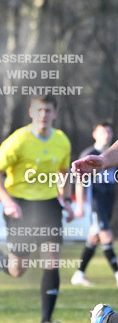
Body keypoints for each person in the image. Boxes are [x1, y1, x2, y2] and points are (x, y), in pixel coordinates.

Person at [0, 95, 73, 323]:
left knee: (51, 260)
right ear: (32, 113)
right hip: (20, 205)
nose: (44, 115)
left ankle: (46, 321)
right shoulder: (18, 140)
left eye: (48, 111)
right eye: (39, 110)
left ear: (55, 114)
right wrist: (7, 201)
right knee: (18, 269)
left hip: (48, 204)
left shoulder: (62, 140)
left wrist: (66, 199)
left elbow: (63, 172)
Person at [74, 144, 118, 323]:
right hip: (98, 205)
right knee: (101, 237)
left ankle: (107, 322)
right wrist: (104, 160)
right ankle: (107, 322)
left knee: (96, 239)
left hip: (109, 205)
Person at [71, 121, 117, 286]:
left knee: (94, 239)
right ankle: (117, 273)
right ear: (95, 134)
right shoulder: (90, 153)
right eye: (103, 131)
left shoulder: (112, 154)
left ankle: (78, 274)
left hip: (109, 201)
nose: (107, 135)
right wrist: (79, 206)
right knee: (106, 235)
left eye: (109, 132)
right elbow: (79, 180)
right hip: (95, 202)